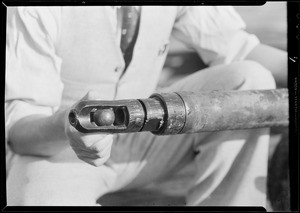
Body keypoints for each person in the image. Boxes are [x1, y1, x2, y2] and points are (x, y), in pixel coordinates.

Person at [5, 6, 287, 206]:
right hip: (57, 153)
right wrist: (71, 126)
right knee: (37, 199)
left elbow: (239, 47)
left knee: (250, 80)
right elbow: (19, 133)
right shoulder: (33, 8)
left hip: (145, 140)